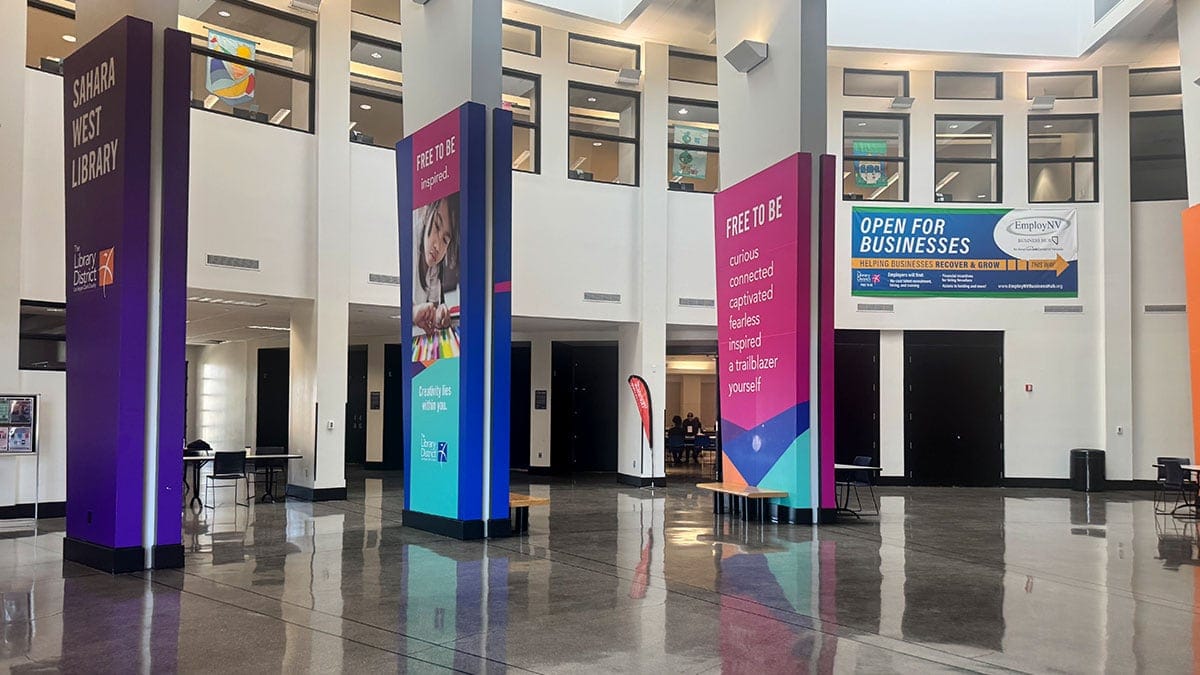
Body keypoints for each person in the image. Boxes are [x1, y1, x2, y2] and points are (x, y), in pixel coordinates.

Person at [413, 196, 460, 336]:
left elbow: (433, 311)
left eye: (445, 240)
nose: (437, 246)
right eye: (437, 226)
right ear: (427, 214)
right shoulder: (410, 248)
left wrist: (439, 315)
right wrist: (414, 312)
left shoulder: (434, 268)